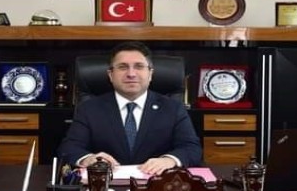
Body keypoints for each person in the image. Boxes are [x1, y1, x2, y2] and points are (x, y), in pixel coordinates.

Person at [57, 41, 201, 175]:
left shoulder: (173, 108)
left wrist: (169, 160)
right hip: (104, 185)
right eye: (122, 67)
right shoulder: (89, 109)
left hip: (157, 184)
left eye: (139, 66)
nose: (131, 74)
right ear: (110, 75)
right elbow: (69, 148)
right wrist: (88, 159)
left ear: (150, 74)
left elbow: (192, 148)